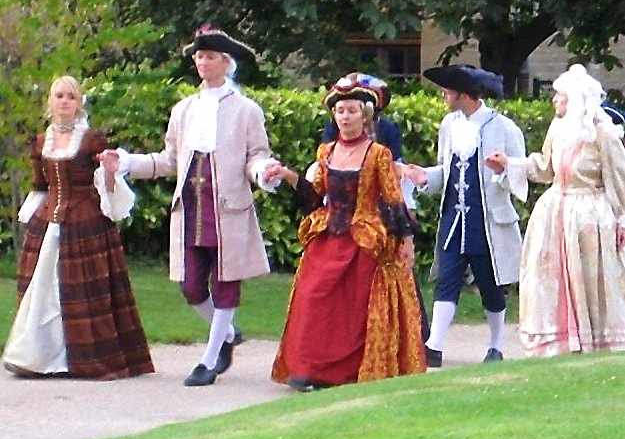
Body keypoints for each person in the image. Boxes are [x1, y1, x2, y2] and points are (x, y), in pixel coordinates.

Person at [99, 24, 280, 387]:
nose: (202, 62)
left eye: (210, 56)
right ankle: (227, 334)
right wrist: (128, 162)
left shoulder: (246, 110)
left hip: (228, 209)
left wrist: (263, 172)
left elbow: (256, 156)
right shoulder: (184, 109)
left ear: (226, 63)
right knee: (191, 287)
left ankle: (209, 359)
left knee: (226, 283)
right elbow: (169, 160)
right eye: (199, 56)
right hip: (191, 209)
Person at [267, 76, 427, 391]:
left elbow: (393, 199)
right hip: (329, 236)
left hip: (364, 240)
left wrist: (406, 241)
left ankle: (346, 371)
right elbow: (315, 196)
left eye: (352, 110)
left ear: (364, 115)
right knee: (313, 298)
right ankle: (308, 369)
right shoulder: (326, 151)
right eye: (340, 110)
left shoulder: (378, 153)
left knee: (354, 309)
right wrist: (287, 175)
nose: (345, 116)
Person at [3, 76, 154, 380]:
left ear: (79, 102)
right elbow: (41, 185)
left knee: (79, 292)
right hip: (49, 223)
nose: (64, 101)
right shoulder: (40, 141)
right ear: (50, 101)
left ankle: (80, 360)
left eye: (70, 96)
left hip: (86, 224)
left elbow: (104, 184)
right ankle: (37, 357)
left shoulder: (91, 140)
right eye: (59, 95)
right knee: (44, 292)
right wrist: (33, 218)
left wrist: (111, 173)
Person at [486, 64, 625, 357]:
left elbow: (618, 179)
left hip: (590, 214)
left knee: (590, 275)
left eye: (559, 95)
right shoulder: (558, 129)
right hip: (556, 211)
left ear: (574, 98)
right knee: (548, 276)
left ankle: (595, 337)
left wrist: (621, 218)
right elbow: (546, 167)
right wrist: (511, 163)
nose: (554, 100)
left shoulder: (604, 134)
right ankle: (558, 339)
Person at [403, 64, 526, 367]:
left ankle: (496, 345)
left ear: (463, 94)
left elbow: (520, 174)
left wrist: (503, 170)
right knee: (447, 279)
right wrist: (424, 177)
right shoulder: (449, 125)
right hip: (454, 218)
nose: (444, 95)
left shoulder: (505, 127)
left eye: (448, 90)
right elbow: (445, 171)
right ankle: (434, 346)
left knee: (491, 285)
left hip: (488, 222)